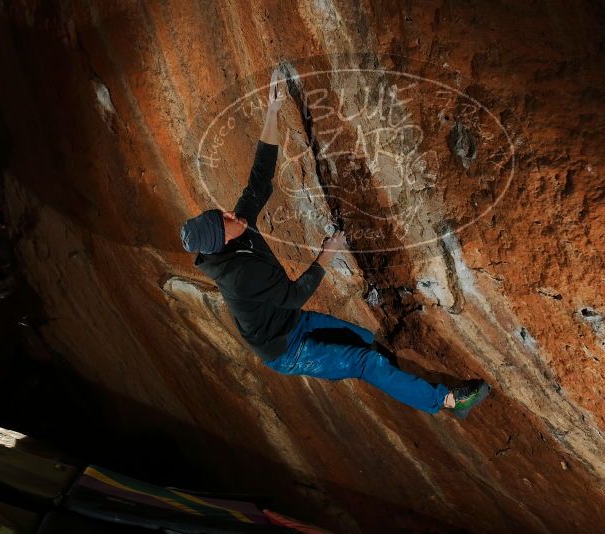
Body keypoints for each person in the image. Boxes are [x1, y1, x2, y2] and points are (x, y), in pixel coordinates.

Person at [180, 70, 489, 418]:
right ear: (222, 239)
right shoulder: (238, 276)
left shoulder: (237, 229)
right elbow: (294, 294)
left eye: (222, 212)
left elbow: (260, 179)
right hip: (286, 348)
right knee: (365, 361)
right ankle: (448, 401)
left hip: (294, 321)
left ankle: (390, 377)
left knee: (367, 341)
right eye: (224, 219)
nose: (230, 213)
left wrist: (272, 113)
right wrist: (327, 255)